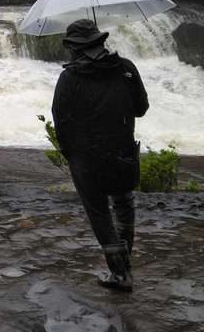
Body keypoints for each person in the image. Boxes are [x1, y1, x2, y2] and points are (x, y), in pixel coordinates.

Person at [51, 19, 149, 292]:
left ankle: (120, 273)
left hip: (86, 159)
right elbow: (141, 108)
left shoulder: (69, 78)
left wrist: (71, 155)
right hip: (123, 151)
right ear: (100, 41)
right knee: (124, 205)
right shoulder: (126, 68)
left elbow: (61, 121)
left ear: (74, 48)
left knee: (99, 215)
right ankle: (125, 267)